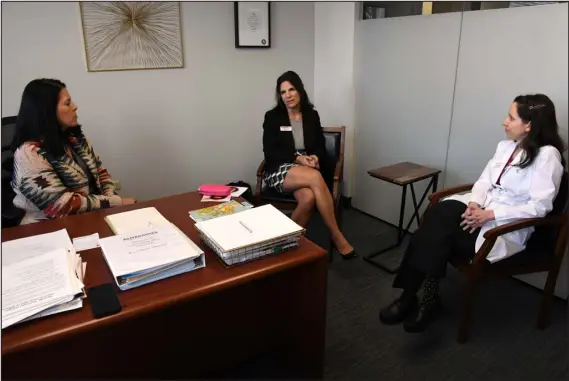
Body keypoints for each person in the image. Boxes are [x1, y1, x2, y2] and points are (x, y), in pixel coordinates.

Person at [379, 93, 565, 332]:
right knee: (438, 213)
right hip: (481, 209)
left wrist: (490, 214)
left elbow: (540, 207)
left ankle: (421, 298)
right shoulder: (505, 147)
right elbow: (484, 181)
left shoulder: (547, 157)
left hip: (504, 225)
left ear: (529, 125)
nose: (504, 122)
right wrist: (475, 204)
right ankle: (416, 297)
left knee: (437, 233)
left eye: (510, 117)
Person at [11, 78, 136, 225]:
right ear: (47, 110)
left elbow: (101, 175)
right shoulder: (29, 154)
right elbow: (59, 207)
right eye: (67, 103)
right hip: (47, 229)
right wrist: (116, 201)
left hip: (88, 218)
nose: (75, 107)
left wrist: (112, 205)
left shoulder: (76, 140)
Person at [262, 70, 356, 259]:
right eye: (283, 92)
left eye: (291, 89)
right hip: (279, 168)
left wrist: (314, 157)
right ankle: (337, 237)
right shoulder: (273, 117)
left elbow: (320, 145)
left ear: (300, 90)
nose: (287, 95)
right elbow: (270, 151)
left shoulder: (311, 115)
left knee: (308, 199)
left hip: (306, 167)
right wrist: (298, 159)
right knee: (314, 177)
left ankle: (283, 246)